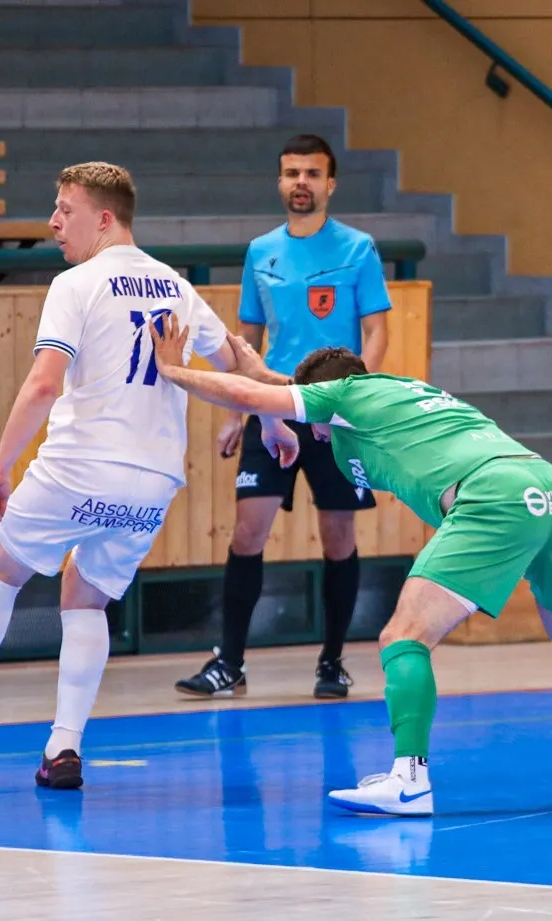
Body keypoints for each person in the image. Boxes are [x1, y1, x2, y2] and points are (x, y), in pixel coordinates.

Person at [145, 314, 552, 817]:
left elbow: (253, 395)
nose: (315, 434)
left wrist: (173, 371)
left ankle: (409, 780)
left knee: (403, 637)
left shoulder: (344, 398)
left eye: (315, 420)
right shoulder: (396, 391)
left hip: (492, 496)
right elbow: (279, 391)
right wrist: (263, 376)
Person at [0, 162, 260, 790]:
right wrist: (272, 423)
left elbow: (43, 383)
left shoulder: (76, 283)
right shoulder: (177, 286)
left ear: (104, 218)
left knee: (3, 570)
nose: (53, 222)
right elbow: (238, 361)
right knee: (86, 598)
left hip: (81, 463)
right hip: (154, 480)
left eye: (66, 210)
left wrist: (0, 466)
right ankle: (64, 750)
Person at [174, 133, 390, 702]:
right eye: (292, 173)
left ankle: (332, 662)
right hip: (273, 409)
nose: (301, 182)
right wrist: (235, 409)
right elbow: (246, 340)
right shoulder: (261, 251)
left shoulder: (358, 249)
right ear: (279, 182)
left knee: (338, 536)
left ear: (330, 184)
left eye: (312, 173)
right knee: (249, 530)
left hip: (334, 415)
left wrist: (356, 398)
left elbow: (377, 330)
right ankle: (230, 663)